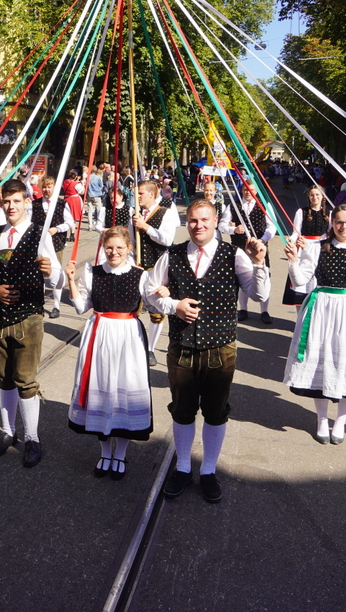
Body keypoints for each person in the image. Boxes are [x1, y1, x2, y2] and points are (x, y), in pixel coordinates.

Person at [147, 199, 269, 503]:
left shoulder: (233, 254)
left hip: (220, 348)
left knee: (215, 412)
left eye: (204, 220)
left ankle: (209, 470)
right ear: (186, 222)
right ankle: (183, 467)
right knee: (182, 409)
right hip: (182, 347)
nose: (198, 225)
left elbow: (258, 294)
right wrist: (174, 305)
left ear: (215, 221)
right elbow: (149, 293)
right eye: (192, 220)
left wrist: (259, 264)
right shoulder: (172, 254)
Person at [0, 178, 65, 468]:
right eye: (6, 201)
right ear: (0, 203)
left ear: (27, 202)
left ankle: (32, 438)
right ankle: (7, 431)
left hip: (28, 318)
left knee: (26, 380)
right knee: (4, 378)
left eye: (16, 201)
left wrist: (51, 272)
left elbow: (59, 279)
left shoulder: (39, 235)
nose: (11, 206)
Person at [284, 206, 346, 444]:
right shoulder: (317, 247)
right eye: (339, 222)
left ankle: (340, 421)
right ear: (332, 223)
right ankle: (321, 419)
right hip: (322, 310)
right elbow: (299, 281)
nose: (344, 227)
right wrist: (293, 260)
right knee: (321, 362)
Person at [65, 227, 156, 479]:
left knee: (124, 393)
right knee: (103, 390)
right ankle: (105, 452)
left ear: (129, 248)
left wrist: (164, 291)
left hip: (128, 338)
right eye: (109, 248)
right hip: (99, 336)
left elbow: (154, 305)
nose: (114, 252)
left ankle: (121, 453)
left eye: (119, 248)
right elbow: (81, 307)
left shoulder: (140, 275)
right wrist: (71, 280)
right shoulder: (92, 272)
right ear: (103, 248)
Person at [132, 179, 181, 363]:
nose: (137, 197)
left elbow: (167, 239)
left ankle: (150, 349)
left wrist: (146, 227)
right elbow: (131, 241)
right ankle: (133, 344)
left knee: (157, 311)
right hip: (138, 267)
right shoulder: (135, 214)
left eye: (141, 193)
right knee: (132, 307)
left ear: (151, 194)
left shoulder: (165, 212)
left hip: (157, 268)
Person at [218, 184, 276, 323]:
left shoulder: (264, 205)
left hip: (259, 249)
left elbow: (272, 227)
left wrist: (262, 240)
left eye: (251, 190)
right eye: (245, 189)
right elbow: (221, 225)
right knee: (242, 276)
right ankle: (243, 309)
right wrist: (234, 230)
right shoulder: (233, 205)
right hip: (239, 248)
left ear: (256, 191)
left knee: (263, 276)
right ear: (241, 191)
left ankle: (264, 311)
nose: (248, 192)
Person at [30, 176, 76, 319]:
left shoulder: (61, 204)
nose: (46, 190)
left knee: (56, 273)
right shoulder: (34, 204)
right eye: (44, 187)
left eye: (49, 187)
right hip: (38, 245)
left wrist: (57, 229)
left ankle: (56, 305)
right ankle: (39, 303)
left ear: (54, 188)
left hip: (56, 243)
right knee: (39, 273)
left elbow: (69, 222)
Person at [285, 185, 330, 306]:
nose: (315, 197)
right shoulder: (301, 212)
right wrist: (291, 240)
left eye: (317, 194)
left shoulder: (329, 213)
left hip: (321, 248)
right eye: (312, 195)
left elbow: (330, 233)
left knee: (317, 278)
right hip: (304, 247)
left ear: (322, 196)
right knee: (301, 277)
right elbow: (296, 232)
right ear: (308, 197)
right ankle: (299, 310)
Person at [86, 164, 106, 231]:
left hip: (89, 194)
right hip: (97, 194)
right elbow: (101, 185)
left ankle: (90, 225)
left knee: (90, 210)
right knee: (99, 210)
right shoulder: (97, 177)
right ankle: (98, 224)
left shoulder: (87, 177)